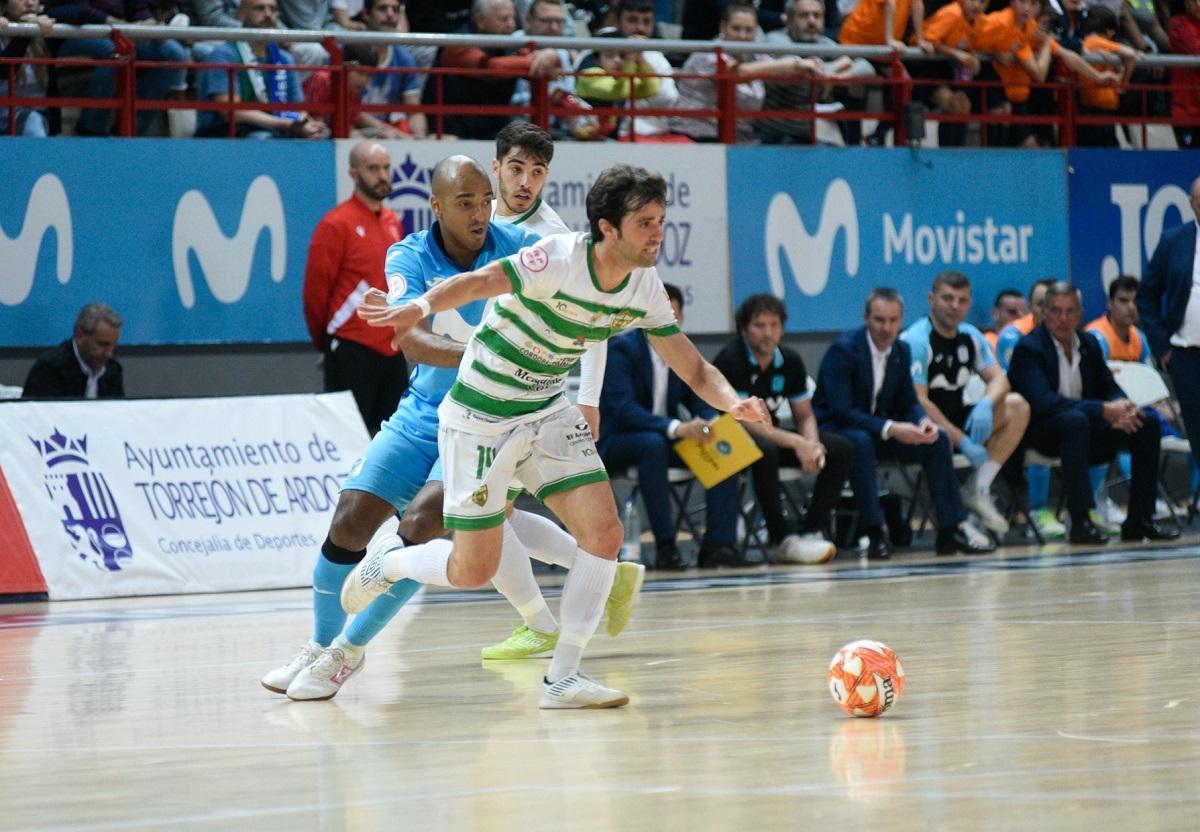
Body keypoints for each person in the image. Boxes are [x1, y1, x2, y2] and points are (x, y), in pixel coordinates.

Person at [344, 163, 772, 709]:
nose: (658, 234)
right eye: (645, 223)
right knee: (471, 570)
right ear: (607, 228)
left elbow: (694, 369)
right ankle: (390, 562)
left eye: (661, 221)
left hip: (546, 407)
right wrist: (420, 307)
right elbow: (480, 281)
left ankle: (563, 677)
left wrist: (734, 402)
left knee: (605, 533)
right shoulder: (559, 257)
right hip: (481, 414)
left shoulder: (644, 287)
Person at [264, 155, 642, 700]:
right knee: (349, 522)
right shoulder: (408, 254)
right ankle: (318, 645)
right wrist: (482, 352)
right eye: (465, 203)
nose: (480, 213)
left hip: (488, 419)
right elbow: (409, 340)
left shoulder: (517, 246)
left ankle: (347, 653)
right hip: (422, 410)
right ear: (436, 206)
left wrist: (581, 393)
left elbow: (582, 303)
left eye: (485, 201)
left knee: (421, 524)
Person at [811, 287, 996, 560]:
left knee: (938, 439)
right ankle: (875, 532)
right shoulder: (844, 350)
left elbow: (908, 401)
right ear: (866, 318)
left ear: (901, 320)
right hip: (837, 431)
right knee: (859, 442)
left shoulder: (901, 350)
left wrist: (922, 423)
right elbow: (842, 411)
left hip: (880, 431)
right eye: (879, 320)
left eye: (893, 321)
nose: (887, 328)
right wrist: (891, 428)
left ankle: (950, 529)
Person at [1007, 281, 1179, 544]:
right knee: (1074, 422)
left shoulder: (1088, 344)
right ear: (1043, 313)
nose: (1062, 319)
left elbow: (1109, 387)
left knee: (1148, 424)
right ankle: (1081, 521)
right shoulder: (1029, 349)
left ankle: (1140, 520)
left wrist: (1123, 407)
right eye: (1055, 311)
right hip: (1042, 432)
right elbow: (1044, 403)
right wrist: (1102, 410)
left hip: (1085, 428)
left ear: (1081, 314)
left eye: (1070, 311)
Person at [599, 283, 748, 571]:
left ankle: (718, 545)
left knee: (721, 441)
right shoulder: (622, 350)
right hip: (617, 441)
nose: (668, 319)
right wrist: (677, 427)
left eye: (674, 313)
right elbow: (625, 411)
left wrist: (709, 421)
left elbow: (700, 397)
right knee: (651, 446)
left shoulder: (683, 353)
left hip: (663, 437)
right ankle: (666, 546)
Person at [712, 293, 852, 563]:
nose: (768, 333)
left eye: (774, 325)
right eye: (760, 326)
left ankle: (811, 530)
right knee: (764, 449)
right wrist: (796, 443)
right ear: (744, 329)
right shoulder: (732, 360)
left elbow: (804, 415)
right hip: (733, 443)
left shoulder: (789, 360)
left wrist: (810, 443)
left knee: (840, 448)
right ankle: (781, 538)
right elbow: (746, 423)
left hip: (773, 436)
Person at [900, 271, 1031, 536]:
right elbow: (919, 401)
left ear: (969, 304)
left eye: (961, 300)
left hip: (958, 416)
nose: (954, 306)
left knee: (1017, 405)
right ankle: (954, 522)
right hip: (921, 425)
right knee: (937, 433)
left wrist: (986, 403)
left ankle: (978, 487)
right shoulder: (917, 340)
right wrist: (962, 440)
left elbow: (1000, 381)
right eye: (947, 298)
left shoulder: (970, 335)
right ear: (931, 299)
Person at [303, 142, 408, 436]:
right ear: (353, 173)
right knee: (345, 438)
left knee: (393, 439)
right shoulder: (335, 224)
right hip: (351, 349)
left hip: (392, 348)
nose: (382, 175)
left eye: (386, 168)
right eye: (373, 168)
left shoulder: (392, 222)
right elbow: (315, 293)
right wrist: (323, 343)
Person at [670, 3, 823, 143]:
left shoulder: (755, 54)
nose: (742, 36)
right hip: (697, 137)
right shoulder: (707, 54)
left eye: (749, 30)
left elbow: (781, 74)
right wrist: (795, 63)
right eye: (736, 29)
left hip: (741, 139)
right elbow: (738, 73)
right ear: (723, 27)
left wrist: (809, 67)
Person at [423, 0, 563, 139]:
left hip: (494, 129)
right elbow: (491, 67)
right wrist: (537, 61)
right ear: (480, 21)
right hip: (450, 129)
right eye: (503, 19)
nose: (511, 25)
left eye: (513, 18)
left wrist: (549, 55)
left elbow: (548, 68)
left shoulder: (508, 43)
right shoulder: (458, 43)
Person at [46, 0, 187, 136]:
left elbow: (138, 8)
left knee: (174, 53)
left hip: (121, 31)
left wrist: (147, 22)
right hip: (76, 31)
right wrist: (109, 21)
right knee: (116, 52)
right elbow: (69, 10)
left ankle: (135, 125)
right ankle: (91, 127)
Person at [996, 276, 1066, 540]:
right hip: (1020, 416)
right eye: (1041, 304)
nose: (1047, 311)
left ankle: (1089, 504)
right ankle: (1037, 508)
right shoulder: (1013, 336)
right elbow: (1028, 388)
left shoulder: (1073, 337)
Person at [194, 0, 328, 138]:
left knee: (321, 134)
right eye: (259, 8)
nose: (268, 14)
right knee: (263, 137)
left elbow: (298, 110)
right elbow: (230, 112)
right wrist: (285, 124)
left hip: (275, 127)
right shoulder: (224, 55)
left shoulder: (284, 59)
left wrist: (308, 125)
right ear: (241, 14)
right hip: (229, 133)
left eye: (273, 9)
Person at [1138, 176, 1200, 465]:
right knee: (1197, 432)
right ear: (1191, 205)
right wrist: (1162, 346)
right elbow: (1146, 296)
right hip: (1185, 355)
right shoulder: (1173, 241)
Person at [758, 0, 877, 146]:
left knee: (836, 156)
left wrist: (838, 77)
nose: (811, 21)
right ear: (788, 20)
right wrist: (840, 65)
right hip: (770, 136)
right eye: (803, 15)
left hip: (804, 135)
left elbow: (866, 67)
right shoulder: (775, 39)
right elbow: (798, 66)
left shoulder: (825, 43)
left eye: (817, 16)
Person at [22, 303, 124, 399]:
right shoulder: (49, 370)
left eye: (113, 345)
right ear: (80, 335)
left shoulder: (112, 370)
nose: (109, 354)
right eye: (102, 344)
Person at [358, 0, 426, 138]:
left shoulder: (404, 58)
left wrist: (420, 138)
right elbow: (351, 110)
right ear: (365, 14)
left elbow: (414, 111)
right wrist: (394, 132)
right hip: (353, 129)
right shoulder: (350, 52)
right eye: (382, 9)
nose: (390, 15)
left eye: (395, 10)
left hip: (388, 132)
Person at [1074, 6, 1136, 147]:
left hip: (1096, 112)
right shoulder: (1095, 42)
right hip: (1096, 113)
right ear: (1109, 30)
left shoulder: (1088, 43)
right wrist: (1124, 82)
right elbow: (1130, 54)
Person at [0, 0, 53, 136]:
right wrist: (26, 31)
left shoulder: (45, 32)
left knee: (33, 122)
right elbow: (4, 71)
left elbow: (75, 12)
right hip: (4, 119)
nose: (29, 3)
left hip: (28, 120)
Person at [1168, 0, 1200, 149]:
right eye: (1194, 1)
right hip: (1186, 109)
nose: (1199, 5)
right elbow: (1195, 49)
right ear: (1187, 3)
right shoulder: (1177, 24)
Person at [984, 288, 1027, 353]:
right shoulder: (985, 343)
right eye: (1012, 312)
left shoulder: (1031, 343)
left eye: (1025, 312)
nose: (1021, 317)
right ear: (995, 314)